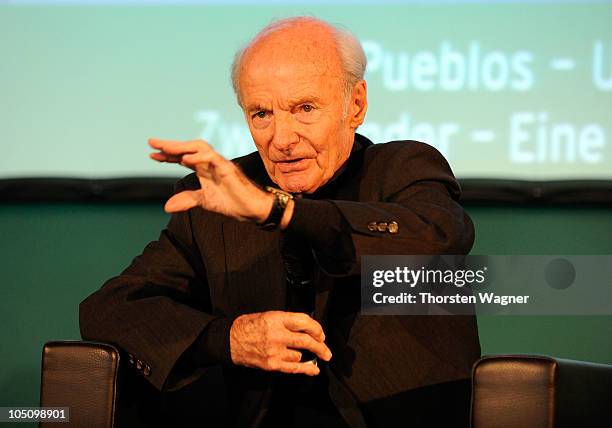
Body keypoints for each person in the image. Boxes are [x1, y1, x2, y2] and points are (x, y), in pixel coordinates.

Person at [79, 16, 480, 428]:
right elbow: (108, 309)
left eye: (304, 108)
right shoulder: (221, 197)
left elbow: (439, 238)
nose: (282, 138)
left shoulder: (401, 168)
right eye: (261, 114)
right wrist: (230, 339)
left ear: (355, 105)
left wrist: (280, 210)